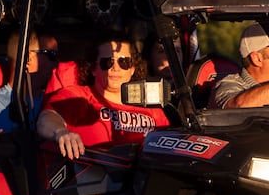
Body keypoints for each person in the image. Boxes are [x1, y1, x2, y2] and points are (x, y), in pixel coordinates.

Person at [36, 33, 169, 150]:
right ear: (94, 68)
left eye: (124, 62)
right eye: (107, 62)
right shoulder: (79, 96)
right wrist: (60, 132)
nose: (115, 68)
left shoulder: (151, 106)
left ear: (133, 68)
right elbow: (46, 118)